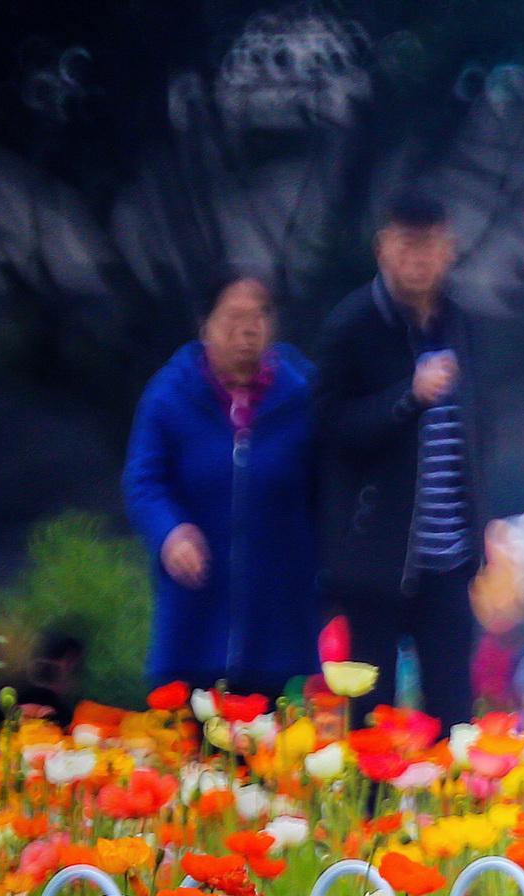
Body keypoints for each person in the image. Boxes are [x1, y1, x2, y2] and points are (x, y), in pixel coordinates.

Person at [313, 191, 488, 731]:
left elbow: (479, 435)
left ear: (450, 250)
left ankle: (457, 815)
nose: (418, 258)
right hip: (376, 562)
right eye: (406, 245)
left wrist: (481, 532)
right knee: (374, 718)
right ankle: (370, 817)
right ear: (382, 249)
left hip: (449, 560)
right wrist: (406, 397)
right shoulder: (352, 325)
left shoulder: (461, 323)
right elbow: (330, 432)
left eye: (430, 245)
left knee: (454, 716)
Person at [123, 271, 322, 696]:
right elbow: (145, 481)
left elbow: (328, 485)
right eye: (232, 317)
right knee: (188, 747)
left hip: (279, 617)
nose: (246, 330)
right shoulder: (170, 394)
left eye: (258, 317)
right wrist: (170, 533)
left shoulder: (303, 396)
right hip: (195, 617)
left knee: (272, 750)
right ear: (206, 325)